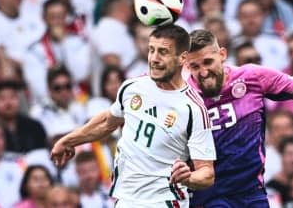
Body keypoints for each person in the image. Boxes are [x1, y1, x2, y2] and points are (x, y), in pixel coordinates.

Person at [185, 29, 293, 207]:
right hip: (208, 197)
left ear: (222, 55)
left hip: (251, 193)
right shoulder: (182, 98)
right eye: (195, 67)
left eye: (208, 62)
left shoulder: (252, 77)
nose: (203, 72)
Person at [51, 24, 216, 205]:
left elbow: (207, 172)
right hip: (126, 198)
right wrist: (68, 141)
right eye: (151, 50)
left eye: (163, 52)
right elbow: (107, 121)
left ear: (182, 58)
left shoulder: (193, 108)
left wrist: (189, 178)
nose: (154, 58)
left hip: (164, 201)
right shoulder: (133, 87)